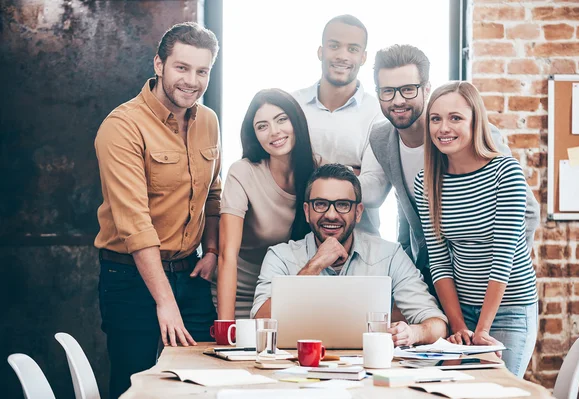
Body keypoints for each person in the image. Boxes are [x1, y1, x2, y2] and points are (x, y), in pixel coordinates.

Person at [94, 22, 221, 398]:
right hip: (130, 278)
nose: (192, 81)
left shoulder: (209, 121)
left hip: (191, 274)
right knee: (136, 386)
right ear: (159, 65)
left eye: (203, 71)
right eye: (182, 68)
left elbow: (213, 194)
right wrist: (164, 302)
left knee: (203, 381)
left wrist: (211, 250)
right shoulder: (122, 127)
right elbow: (136, 226)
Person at [364, 44, 540, 294]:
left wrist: (504, 279)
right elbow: (409, 212)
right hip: (432, 279)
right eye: (388, 91)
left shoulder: (468, 133)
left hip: (488, 287)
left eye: (407, 89)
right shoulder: (381, 139)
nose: (398, 100)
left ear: (426, 89)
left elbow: (528, 213)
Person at [414, 81, 538, 377]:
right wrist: (458, 326)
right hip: (461, 310)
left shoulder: (505, 172)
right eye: (436, 118)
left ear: (475, 121)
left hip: (509, 309)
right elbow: (439, 261)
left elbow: (503, 257)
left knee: (498, 391)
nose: (443, 128)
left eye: (455, 118)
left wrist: (482, 331)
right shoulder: (427, 182)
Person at [251, 164, 448, 347]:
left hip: (369, 369)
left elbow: (438, 325)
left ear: (358, 212)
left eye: (343, 205)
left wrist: (414, 333)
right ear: (307, 211)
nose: (331, 214)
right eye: (320, 204)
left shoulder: (390, 255)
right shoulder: (280, 256)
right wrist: (314, 266)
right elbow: (259, 323)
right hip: (298, 365)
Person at [216, 89, 318, 319]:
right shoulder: (242, 172)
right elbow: (227, 255)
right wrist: (225, 324)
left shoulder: (319, 172)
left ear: (296, 120)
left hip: (290, 294)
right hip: (238, 295)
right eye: (262, 126)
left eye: (282, 119)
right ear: (254, 135)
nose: (274, 132)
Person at [293, 14, 385, 236]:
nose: (342, 56)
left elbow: (374, 191)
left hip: (361, 243)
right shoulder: (293, 105)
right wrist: (350, 172)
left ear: (363, 57)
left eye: (352, 49)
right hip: (298, 239)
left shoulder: (378, 113)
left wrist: (313, 169)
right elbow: (279, 178)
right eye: (334, 46)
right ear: (321, 51)